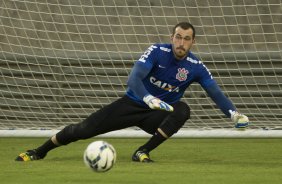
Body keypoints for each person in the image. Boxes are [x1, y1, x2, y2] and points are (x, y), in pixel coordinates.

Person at [15, 22, 249, 163]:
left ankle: (142, 151)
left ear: (192, 42)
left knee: (183, 109)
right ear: (172, 38)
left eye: (186, 39)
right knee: (83, 130)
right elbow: (134, 78)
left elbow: (215, 92)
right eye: (178, 37)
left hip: (157, 115)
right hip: (133, 103)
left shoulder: (195, 66)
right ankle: (40, 151)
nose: (181, 42)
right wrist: (148, 97)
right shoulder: (157, 51)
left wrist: (233, 114)